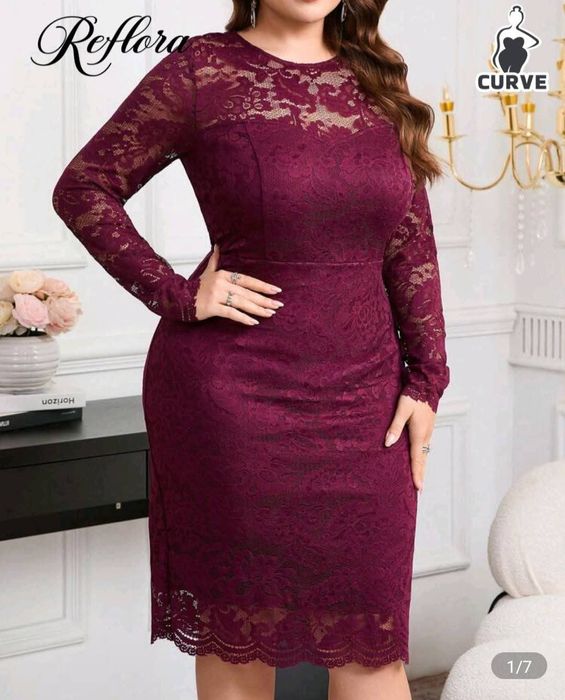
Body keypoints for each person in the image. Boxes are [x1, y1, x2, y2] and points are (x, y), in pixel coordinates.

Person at [51, 1, 450, 698]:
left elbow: (409, 240)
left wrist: (427, 379)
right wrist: (177, 293)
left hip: (365, 401)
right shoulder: (203, 70)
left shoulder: (376, 79)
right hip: (233, 401)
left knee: (371, 649)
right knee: (240, 642)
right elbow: (84, 188)